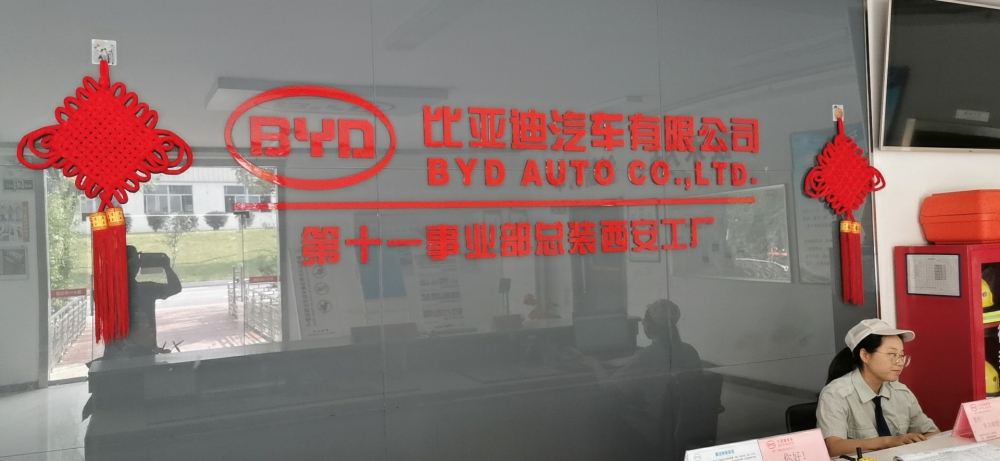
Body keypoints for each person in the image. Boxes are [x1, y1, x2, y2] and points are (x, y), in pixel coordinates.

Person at [817, 318, 939, 457]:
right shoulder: (835, 394)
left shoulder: (901, 392)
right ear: (865, 355)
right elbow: (833, 447)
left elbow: (932, 434)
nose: (899, 362)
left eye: (901, 355)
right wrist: (889, 442)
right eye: (892, 354)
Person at [103, 245, 182, 358]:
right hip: (143, 354)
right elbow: (175, 287)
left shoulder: (108, 292)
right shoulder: (145, 289)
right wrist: (166, 267)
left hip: (116, 356)